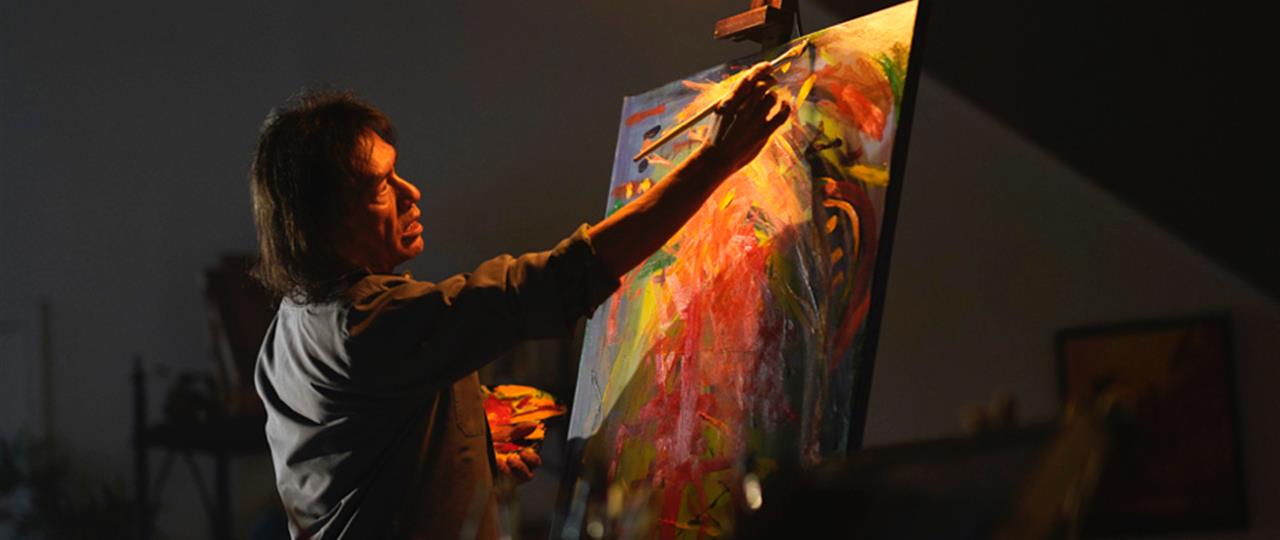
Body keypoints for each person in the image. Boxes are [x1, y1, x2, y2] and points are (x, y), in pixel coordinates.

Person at [250, 62, 790, 539]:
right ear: (325, 220)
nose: (411, 192)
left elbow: (361, 458)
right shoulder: (368, 322)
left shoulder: (290, 323)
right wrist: (717, 159)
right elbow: (553, 283)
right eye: (381, 187)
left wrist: (465, 452)